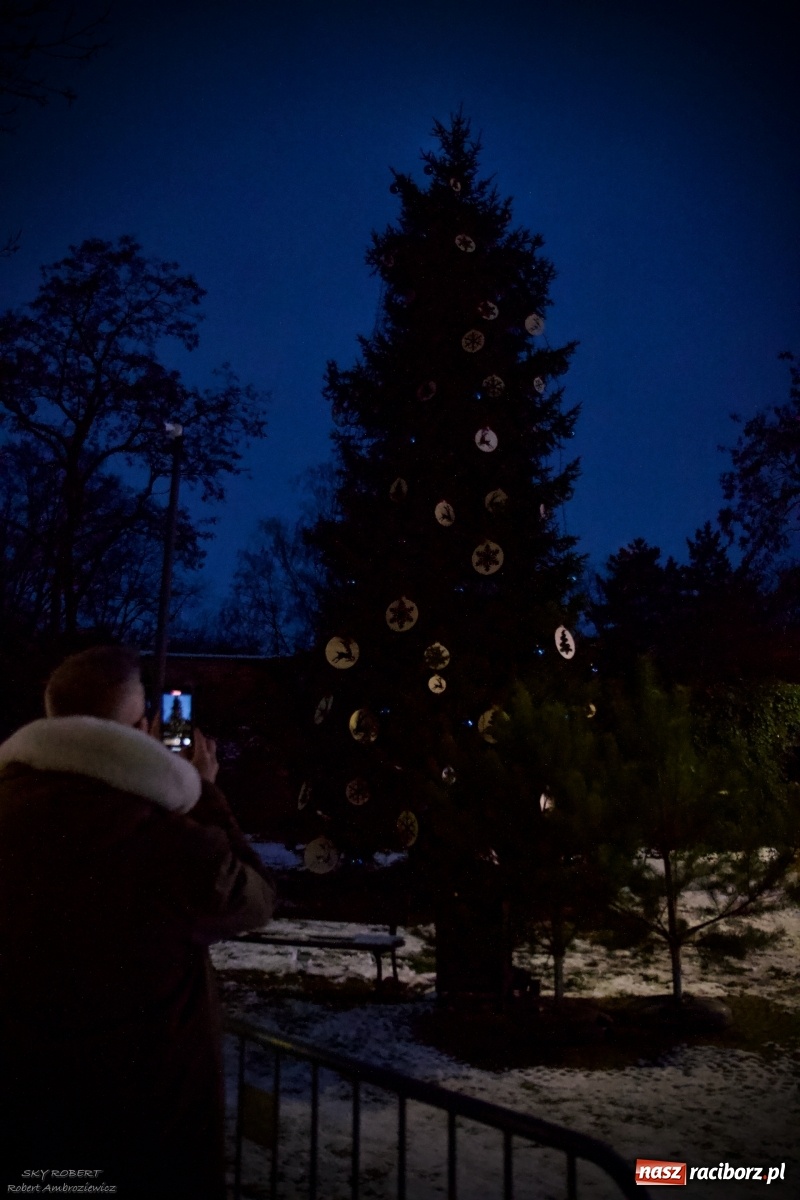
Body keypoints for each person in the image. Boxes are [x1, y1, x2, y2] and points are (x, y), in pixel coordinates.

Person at [0, 646, 276, 1198]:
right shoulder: (166, 843)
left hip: (25, 1124)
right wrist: (203, 790)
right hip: (142, 1135)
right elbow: (255, 897)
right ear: (142, 727)